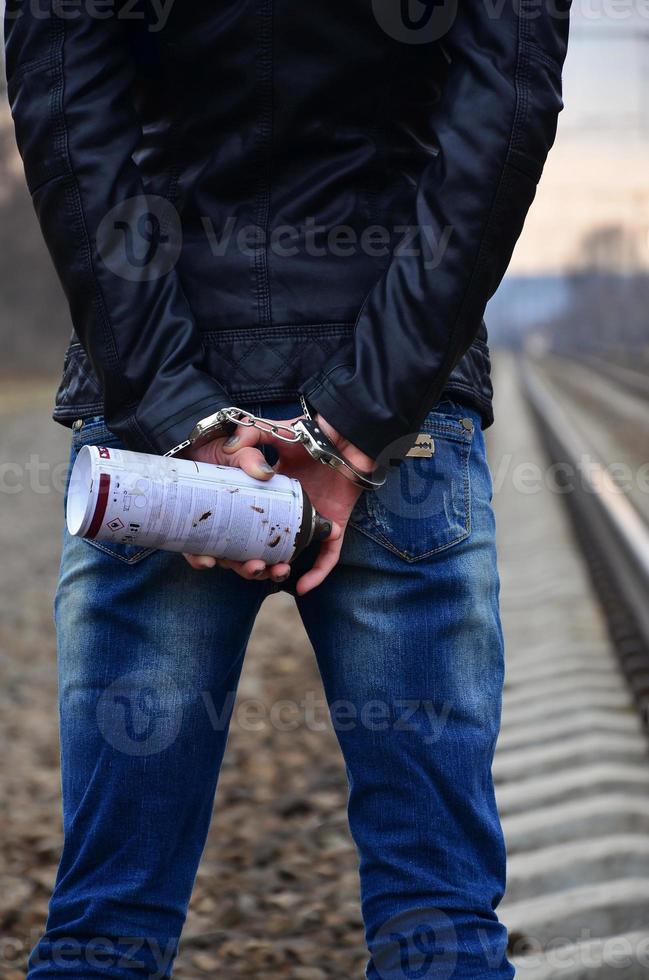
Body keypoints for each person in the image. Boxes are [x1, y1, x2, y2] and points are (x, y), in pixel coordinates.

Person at [5, 0, 570, 976]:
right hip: (403, 421)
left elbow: (65, 113)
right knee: (438, 916)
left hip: (157, 434)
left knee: (106, 923)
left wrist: (178, 413)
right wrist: (359, 422)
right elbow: (501, 119)